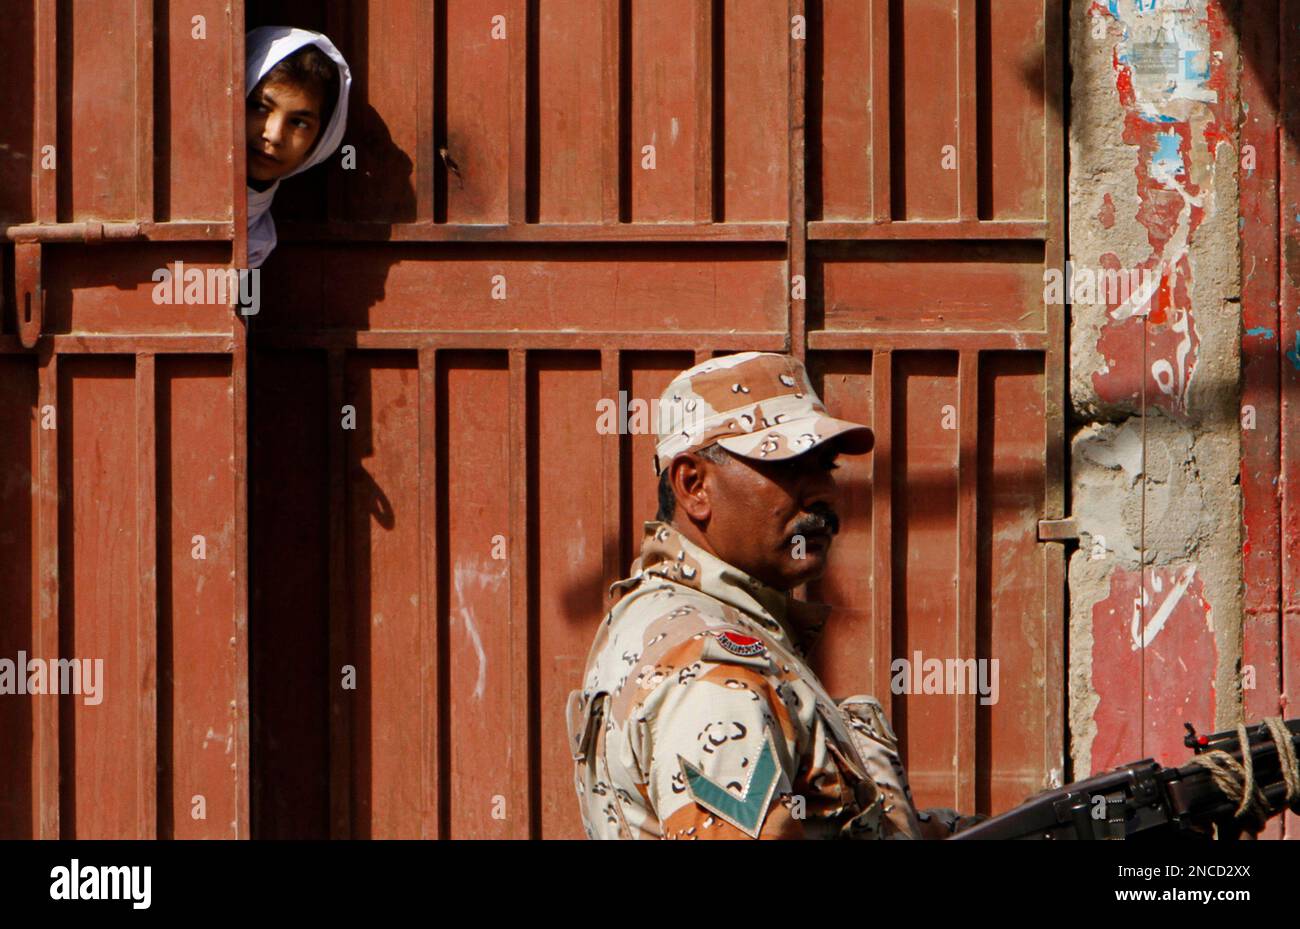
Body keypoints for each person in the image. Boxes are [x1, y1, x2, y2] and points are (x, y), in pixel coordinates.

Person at [566, 351, 979, 839]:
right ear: (693, 484)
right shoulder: (712, 668)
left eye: (826, 467)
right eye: (787, 464)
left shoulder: (678, 616)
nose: (823, 493)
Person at [244, 26, 352, 269]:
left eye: (299, 123)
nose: (274, 135)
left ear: (323, 139)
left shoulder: (261, 239)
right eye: (260, 108)